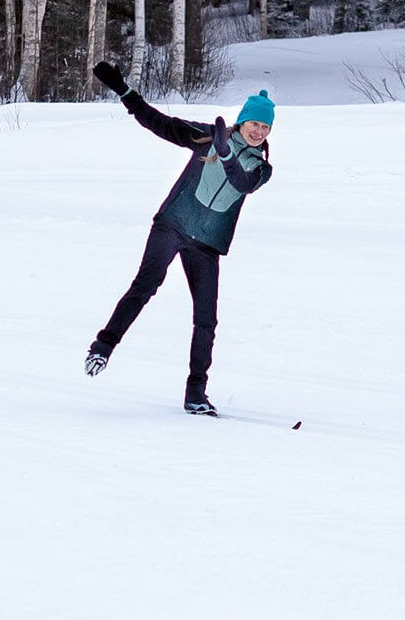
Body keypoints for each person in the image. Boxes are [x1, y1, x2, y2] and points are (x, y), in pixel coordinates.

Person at [84, 61, 274, 417]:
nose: (259, 131)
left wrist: (229, 155)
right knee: (146, 285)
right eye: (254, 123)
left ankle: (196, 394)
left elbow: (242, 183)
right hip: (172, 225)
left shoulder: (262, 167)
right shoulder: (206, 138)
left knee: (206, 319)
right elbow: (159, 123)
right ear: (243, 121)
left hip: (206, 244)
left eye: (265, 127)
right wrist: (124, 90)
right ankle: (102, 346)